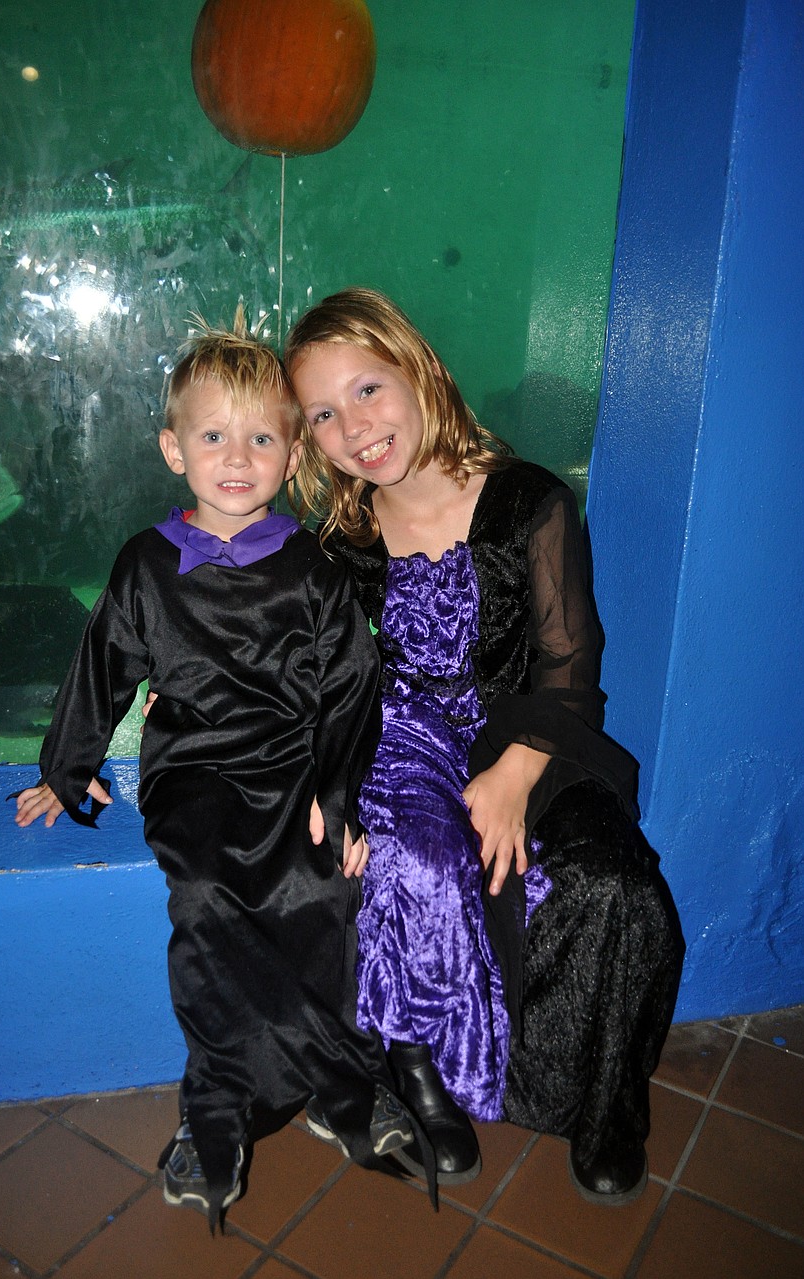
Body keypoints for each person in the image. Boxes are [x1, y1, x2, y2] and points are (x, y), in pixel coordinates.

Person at [12, 311, 414, 1231]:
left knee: (319, 897)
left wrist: (336, 793)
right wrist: (66, 767)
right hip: (192, 768)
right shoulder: (147, 564)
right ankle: (216, 1112)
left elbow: (352, 684)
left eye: (264, 436)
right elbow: (103, 662)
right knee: (205, 901)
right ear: (172, 449)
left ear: (290, 455)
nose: (239, 455)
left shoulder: (311, 565)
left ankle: (344, 1090)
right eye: (214, 435)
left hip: (293, 766)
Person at [282, 287, 684, 1204]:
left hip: (532, 733)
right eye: (324, 414)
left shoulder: (530, 501)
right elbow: (329, 687)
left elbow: (571, 660)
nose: (357, 426)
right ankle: (420, 1070)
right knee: (415, 861)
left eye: (369, 390)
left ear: (419, 372)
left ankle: (610, 1103)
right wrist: (329, 786)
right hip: (401, 740)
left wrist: (516, 769)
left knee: (615, 881)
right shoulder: (341, 544)